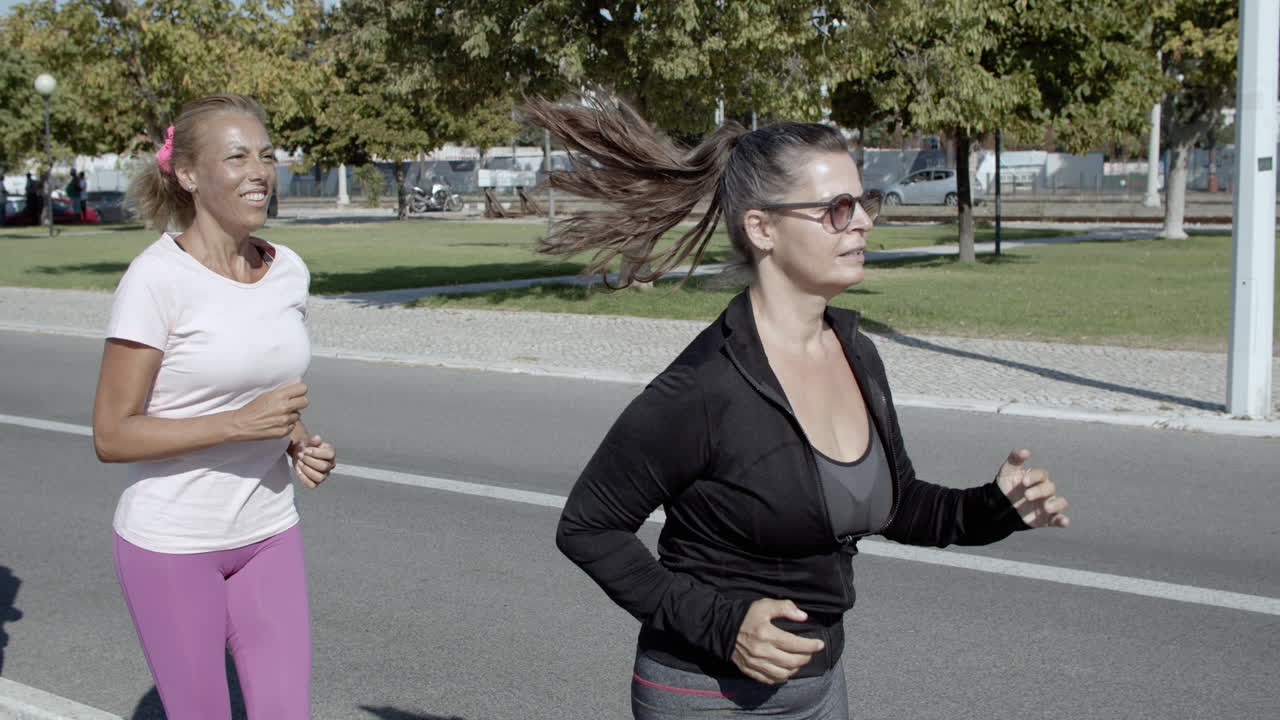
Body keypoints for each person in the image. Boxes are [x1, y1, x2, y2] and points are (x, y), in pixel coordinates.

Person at [528, 94, 1071, 720]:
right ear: (762, 228)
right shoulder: (705, 387)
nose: (864, 221)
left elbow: (896, 504)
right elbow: (587, 527)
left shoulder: (857, 352)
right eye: (838, 208)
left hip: (818, 687)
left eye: (862, 202)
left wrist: (994, 507)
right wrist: (722, 624)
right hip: (704, 694)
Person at [92, 93, 335, 720]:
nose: (259, 170)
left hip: (268, 532)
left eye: (267, 155)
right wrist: (239, 425)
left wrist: (297, 441)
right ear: (190, 174)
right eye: (237, 157)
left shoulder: (289, 270)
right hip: (172, 543)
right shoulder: (156, 280)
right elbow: (112, 435)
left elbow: (262, 385)